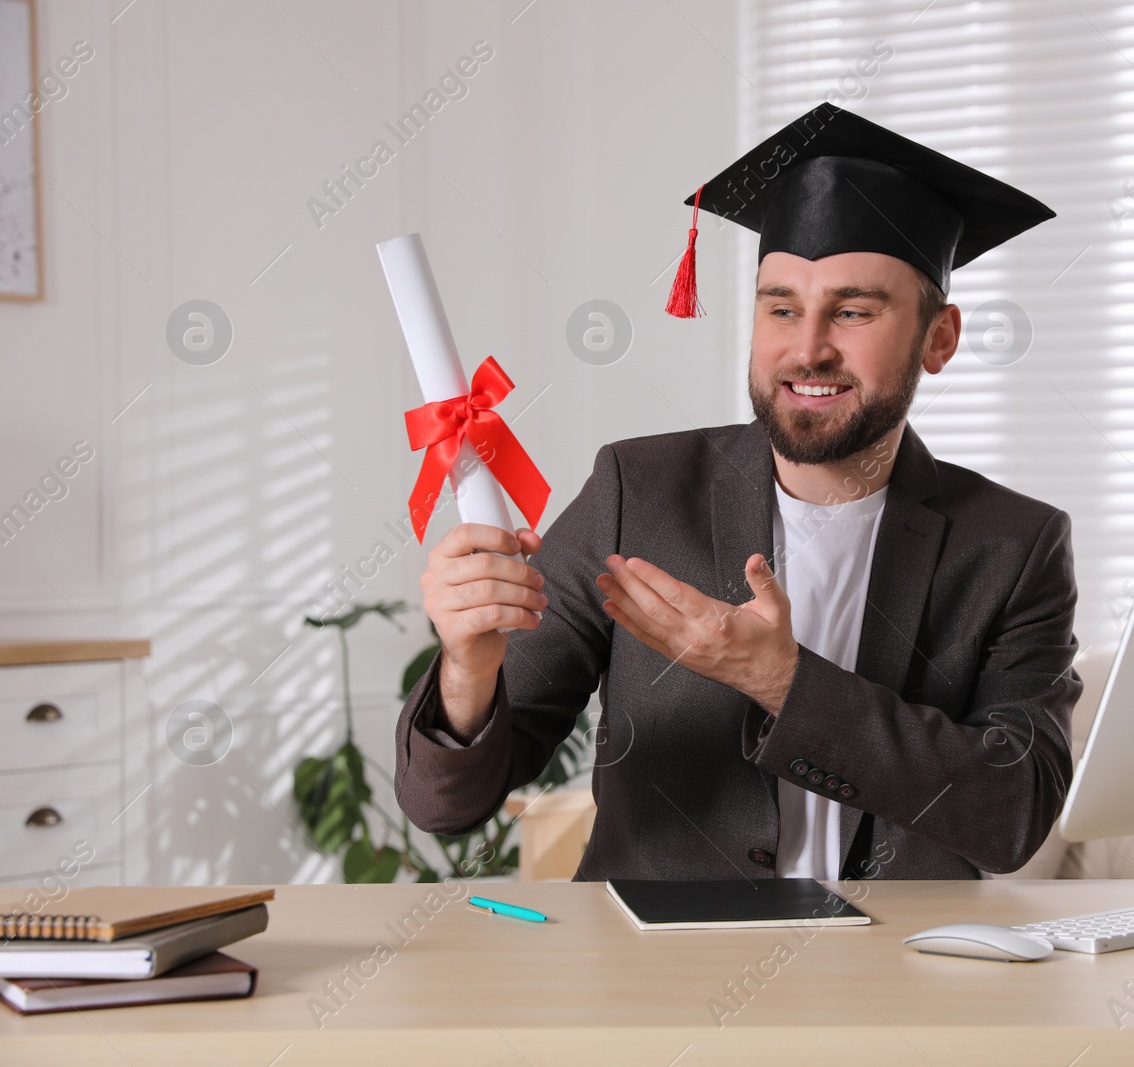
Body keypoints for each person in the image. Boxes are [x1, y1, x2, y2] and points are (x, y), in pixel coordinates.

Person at [394, 103, 1083, 880]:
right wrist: (466, 670)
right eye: (781, 307)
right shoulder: (638, 492)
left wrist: (781, 680)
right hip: (661, 975)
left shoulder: (1013, 545)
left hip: (891, 977)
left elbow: (1013, 811)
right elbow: (443, 805)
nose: (807, 347)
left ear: (939, 337)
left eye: (853, 311)